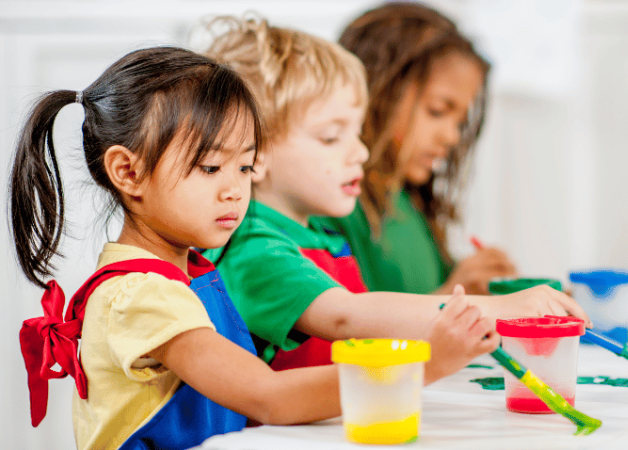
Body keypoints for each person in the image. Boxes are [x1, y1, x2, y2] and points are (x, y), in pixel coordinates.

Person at [11, 46, 500, 450]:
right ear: (128, 171)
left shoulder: (190, 270)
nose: (234, 191)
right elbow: (269, 397)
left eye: (244, 168)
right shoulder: (139, 296)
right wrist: (426, 362)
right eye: (210, 168)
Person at [203, 17, 590, 371]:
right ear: (257, 151)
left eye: (356, 132)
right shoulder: (252, 245)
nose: (361, 151)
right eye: (332, 137)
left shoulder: (320, 240)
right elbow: (348, 315)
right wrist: (496, 308)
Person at [332, 1, 518, 295]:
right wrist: (455, 291)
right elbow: (345, 332)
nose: (452, 137)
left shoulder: (408, 201)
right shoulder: (336, 204)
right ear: (377, 92)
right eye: (437, 111)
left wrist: (480, 284)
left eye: (459, 122)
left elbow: (431, 286)